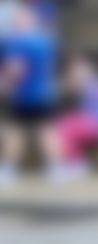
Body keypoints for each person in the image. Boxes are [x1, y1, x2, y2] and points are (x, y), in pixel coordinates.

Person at [0, 3, 55, 185]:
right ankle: (57, 167)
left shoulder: (19, 42)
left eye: (17, 19)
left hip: (25, 95)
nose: (14, 22)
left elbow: (16, 69)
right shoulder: (44, 41)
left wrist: (5, 84)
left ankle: (8, 169)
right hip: (45, 93)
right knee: (45, 131)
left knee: (15, 132)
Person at [46, 52, 98, 182]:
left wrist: (68, 81)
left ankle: (75, 163)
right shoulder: (97, 83)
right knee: (64, 124)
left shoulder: (95, 84)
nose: (76, 72)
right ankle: (75, 163)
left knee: (64, 127)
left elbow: (72, 87)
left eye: (79, 69)